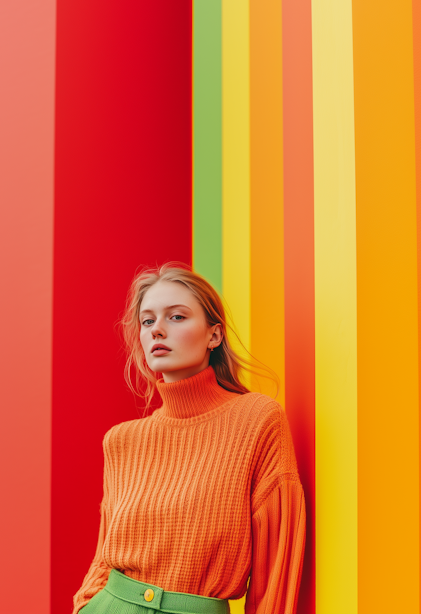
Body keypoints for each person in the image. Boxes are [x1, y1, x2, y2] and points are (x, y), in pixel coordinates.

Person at [72, 263, 306, 614]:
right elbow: (104, 556)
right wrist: (84, 606)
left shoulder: (258, 420)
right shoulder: (121, 440)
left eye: (176, 317)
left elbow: (276, 567)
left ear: (214, 335)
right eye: (148, 321)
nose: (157, 331)